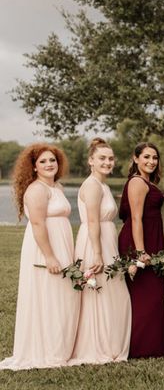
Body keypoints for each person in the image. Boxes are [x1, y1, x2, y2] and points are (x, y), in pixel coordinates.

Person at [0, 144, 80, 370]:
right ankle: (46, 350)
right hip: (45, 247)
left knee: (63, 296)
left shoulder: (58, 187)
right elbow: (37, 223)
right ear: (34, 167)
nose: (49, 164)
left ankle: (61, 347)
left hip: (62, 243)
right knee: (48, 295)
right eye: (43, 161)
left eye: (52, 160)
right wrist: (49, 256)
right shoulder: (36, 190)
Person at [69, 138, 132, 365]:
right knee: (101, 291)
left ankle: (111, 341)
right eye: (102, 158)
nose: (107, 162)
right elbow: (93, 221)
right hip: (95, 243)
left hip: (106, 241)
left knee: (113, 293)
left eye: (110, 158)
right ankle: (99, 344)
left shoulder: (103, 185)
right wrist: (97, 253)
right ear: (90, 161)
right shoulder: (92, 185)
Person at [118, 142, 164, 358]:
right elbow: (136, 218)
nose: (151, 161)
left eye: (155, 157)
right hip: (139, 241)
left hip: (152, 239)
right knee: (144, 295)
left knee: (153, 293)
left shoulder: (148, 181)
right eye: (146, 157)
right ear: (136, 158)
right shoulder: (137, 182)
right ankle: (139, 347)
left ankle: (151, 344)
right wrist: (140, 252)